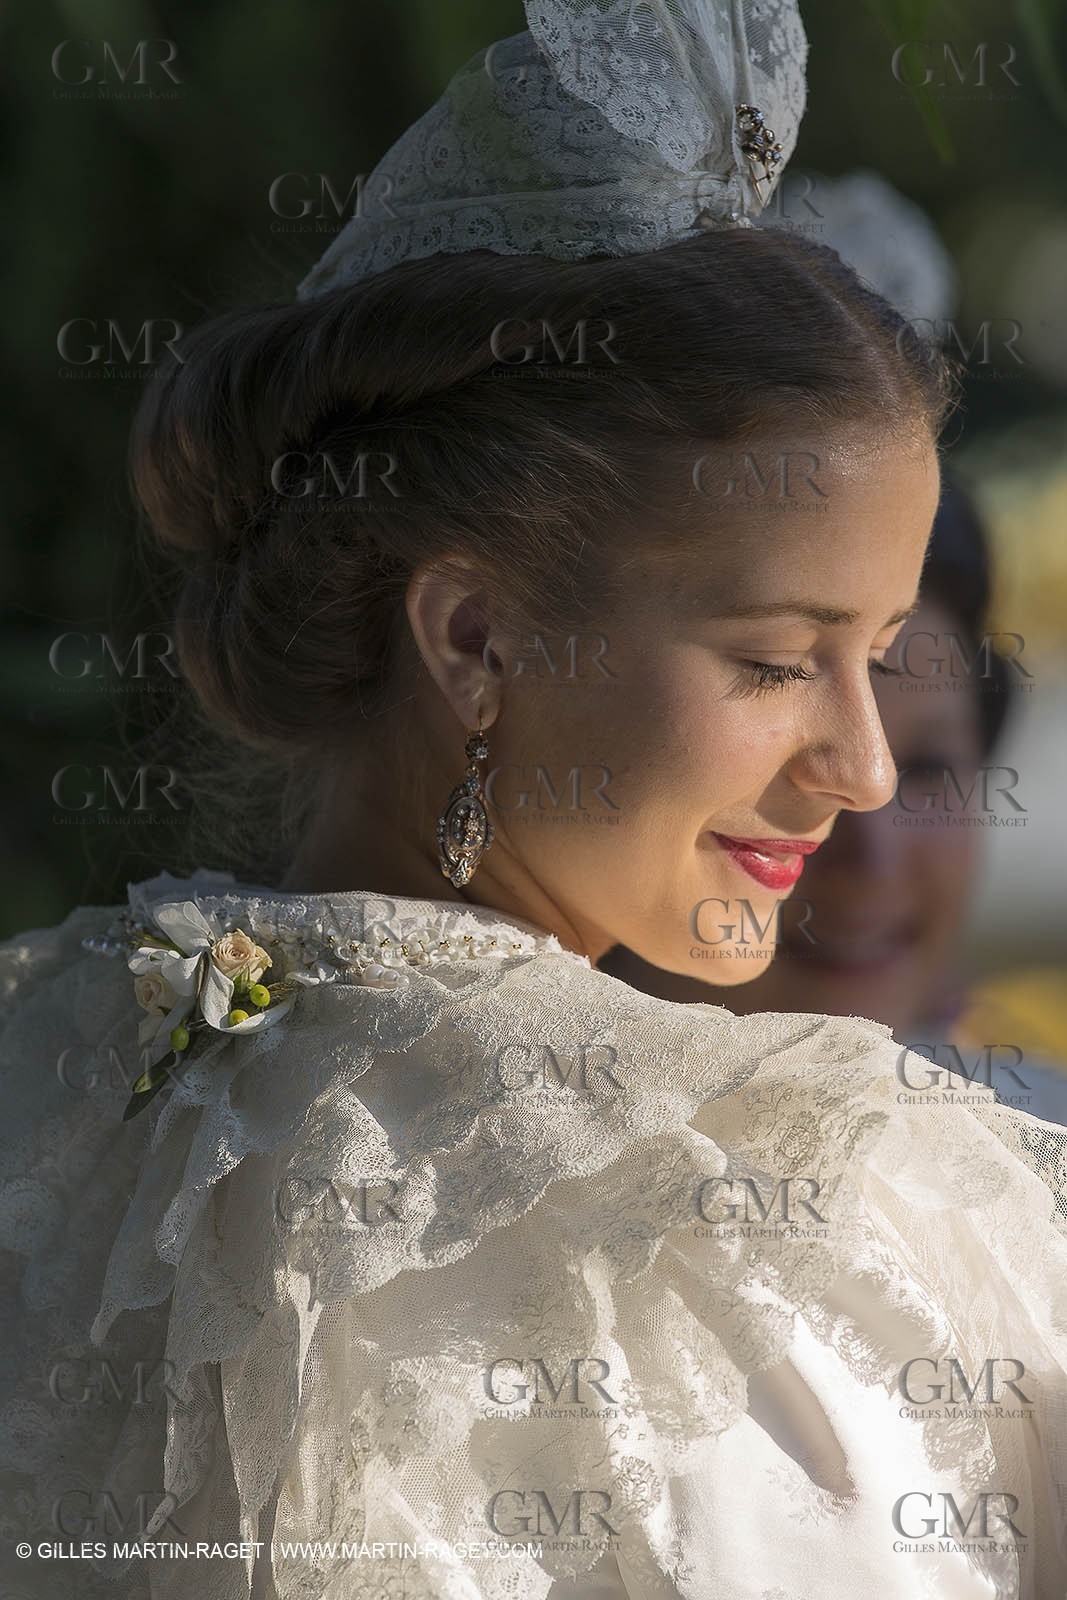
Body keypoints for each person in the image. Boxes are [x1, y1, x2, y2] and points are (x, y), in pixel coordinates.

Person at [2, 4, 1066, 1599]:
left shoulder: (57, 1076)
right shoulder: (756, 1207)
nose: (853, 767)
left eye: (879, 664)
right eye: (781, 662)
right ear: (476, 637)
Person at [602, 478, 1067, 1123]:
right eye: (794, 759)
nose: (872, 853)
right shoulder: (466, 1164)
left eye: (930, 771)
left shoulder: (1041, 1151)